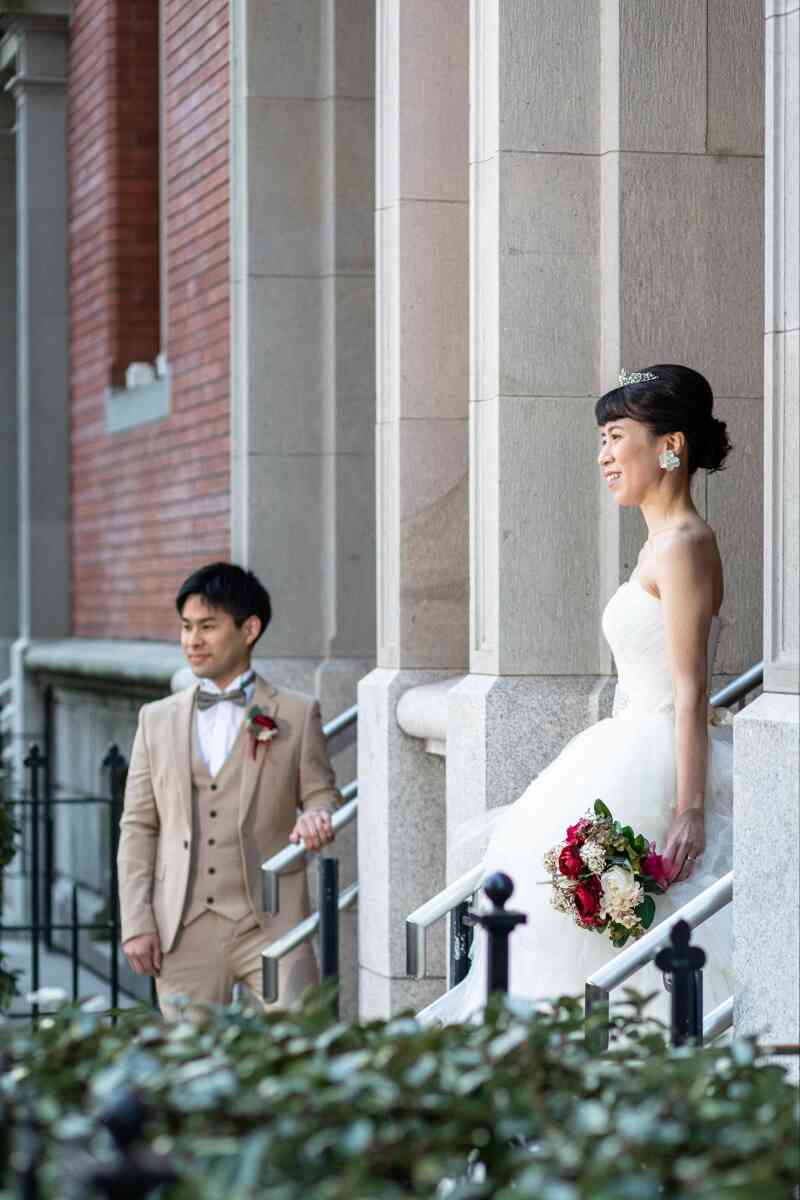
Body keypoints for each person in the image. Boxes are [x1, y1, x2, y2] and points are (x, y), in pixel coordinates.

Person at [436, 364, 735, 1022]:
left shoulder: (684, 545)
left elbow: (691, 690)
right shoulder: (660, 545)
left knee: (640, 936)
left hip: (658, 756)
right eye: (601, 439)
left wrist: (688, 809)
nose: (603, 455)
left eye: (615, 435)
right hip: (628, 743)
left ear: (670, 445)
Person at [117, 562, 340, 1017]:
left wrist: (317, 814)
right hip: (182, 925)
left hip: (273, 923)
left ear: (249, 629)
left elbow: (321, 792)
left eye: (207, 627)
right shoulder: (155, 720)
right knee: (191, 1068)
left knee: (303, 1043)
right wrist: (137, 922)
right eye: (185, 627)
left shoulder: (297, 714)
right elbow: (138, 826)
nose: (192, 641)